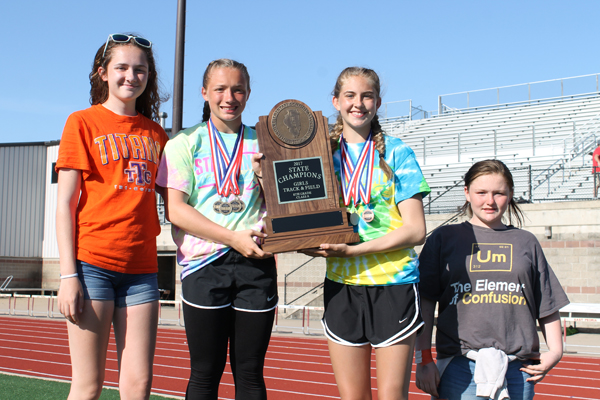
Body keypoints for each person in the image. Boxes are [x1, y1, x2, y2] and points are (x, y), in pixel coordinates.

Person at [301, 67, 430, 400]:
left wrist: (354, 251)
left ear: (378, 102)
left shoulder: (397, 152)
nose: (358, 104)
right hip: (343, 286)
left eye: (366, 96)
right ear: (335, 101)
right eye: (350, 96)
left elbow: (416, 230)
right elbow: (303, 221)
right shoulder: (319, 156)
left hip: (393, 285)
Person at [56, 33, 168, 399]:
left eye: (140, 70)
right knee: (88, 385)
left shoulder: (156, 133)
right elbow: (65, 205)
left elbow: (183, 196)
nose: (130, 76)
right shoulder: (81, 122)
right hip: (92, 266)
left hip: (142, 269)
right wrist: (68, 275)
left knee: (139, 385)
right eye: (121, 67)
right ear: (102, 73)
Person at [156, 59, 276, 400]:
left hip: (256, 264)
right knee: (205, 374)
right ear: (205, 92)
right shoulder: (183, 143)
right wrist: (231, 238)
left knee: (251, 374)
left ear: (248, 93)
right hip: (204, 265)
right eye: (220, 89)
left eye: (238, 89)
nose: (229, 97)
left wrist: (266, 183)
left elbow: (283, 205)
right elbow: (176, 211)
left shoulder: (264, 143)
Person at [415, 159, 569, 400]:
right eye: (481, 192)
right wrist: (423, 359)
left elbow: (546, 302)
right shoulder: (443, 238)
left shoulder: (526, 241)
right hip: (459, 366)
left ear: (510, 195)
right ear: (466, 193)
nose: (490, 201)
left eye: (498, 193)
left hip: (519, 369)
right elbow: (425, 304)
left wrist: (556, 352)